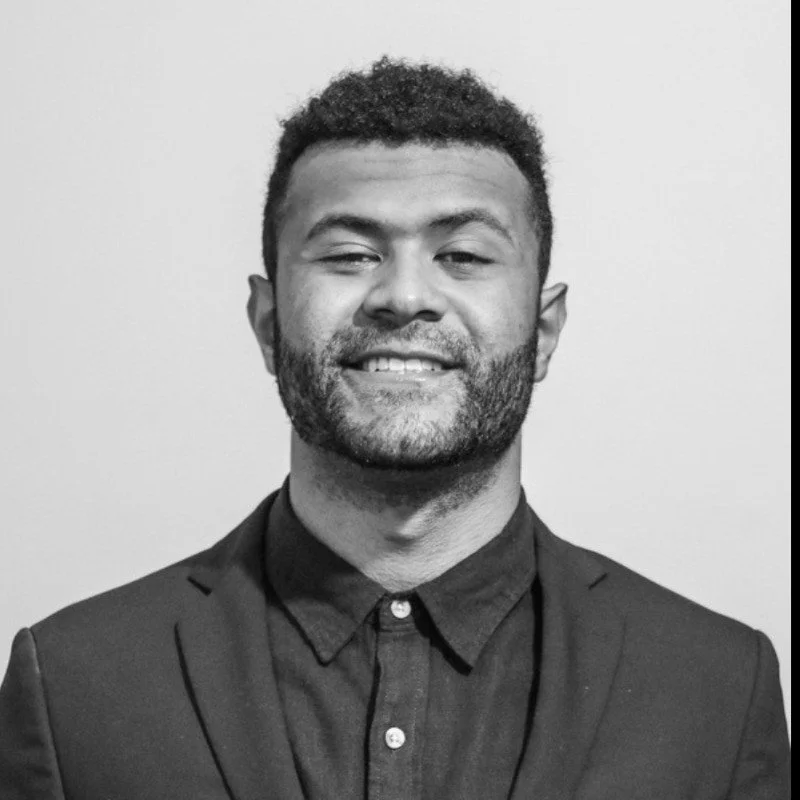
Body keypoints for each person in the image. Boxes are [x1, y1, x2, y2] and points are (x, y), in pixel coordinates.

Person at [0, 57, 789, 799]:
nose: (405, 296)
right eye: (349, 254)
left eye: (463, 255)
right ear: (268, 322)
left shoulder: (717, 687)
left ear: (544, 330)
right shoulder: (70, 684)